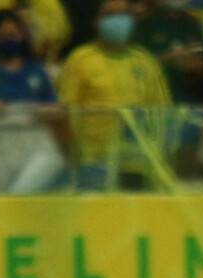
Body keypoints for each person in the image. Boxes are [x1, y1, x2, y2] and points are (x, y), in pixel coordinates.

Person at [57, 0, 172, 191]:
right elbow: (65, 113)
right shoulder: (80, 59)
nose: (118, 20)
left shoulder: (146, 61)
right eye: (109, 15)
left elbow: (163, 113)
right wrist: (73, 159)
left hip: (139, 163)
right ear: (96, 22)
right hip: (93, 162)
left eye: (124, 15)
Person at [0, 8, 66, 193]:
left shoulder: (36, 71)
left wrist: (47, 111)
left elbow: (56, 108)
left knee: (26, 191)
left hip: (34, 143)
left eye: (13, 35)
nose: (9, 39)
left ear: (22, 37)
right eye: (3, 35)